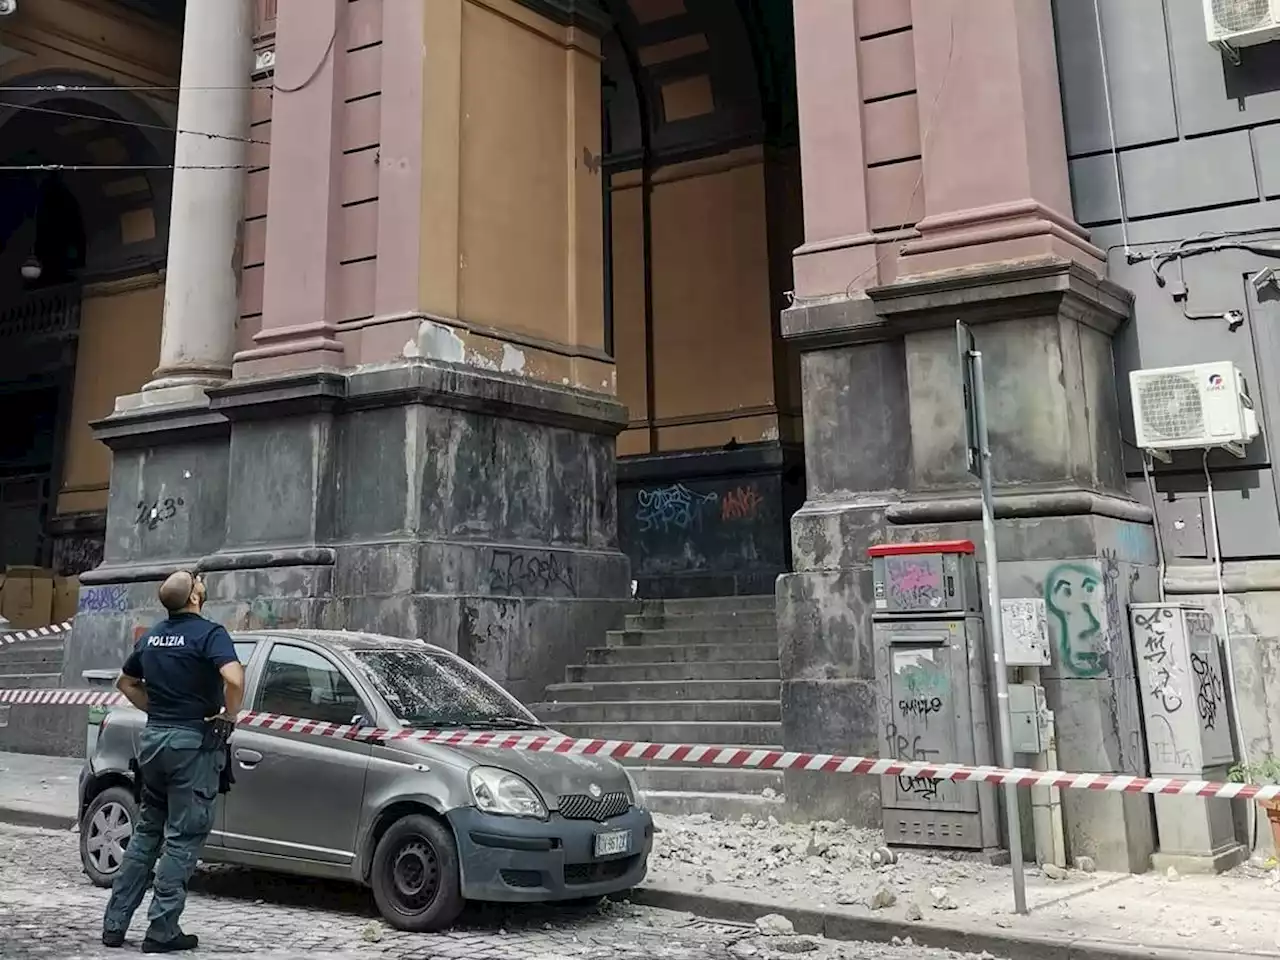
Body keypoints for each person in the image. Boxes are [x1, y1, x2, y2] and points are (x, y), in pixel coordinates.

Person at [101, 570, 244, 953]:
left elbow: (126, 683)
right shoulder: (209, 634)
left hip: (154, 742)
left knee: (147, 833)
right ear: (194, 597)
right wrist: (228, 716)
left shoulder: (152, 637)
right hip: (191, 745)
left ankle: (114, 924)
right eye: (197, 581)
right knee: (182, 839)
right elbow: (233, 678)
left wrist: (159, 709)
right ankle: (161, 930)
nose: (201, 582)